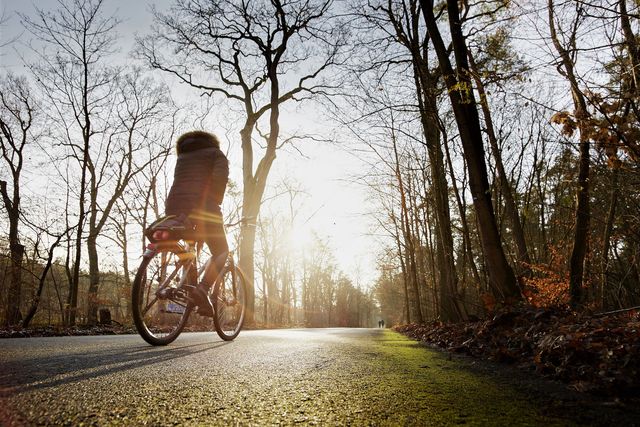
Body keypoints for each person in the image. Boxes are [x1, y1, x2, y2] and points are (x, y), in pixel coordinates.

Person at [164, 130, 229, 317]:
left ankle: (189, 289)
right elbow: (219, 179)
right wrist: (214, 203)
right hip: (203, 206)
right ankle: (202, 289)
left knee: (191, 247)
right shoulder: (215, 154)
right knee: (222, 251)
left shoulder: (183, 155)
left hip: (175, 206)